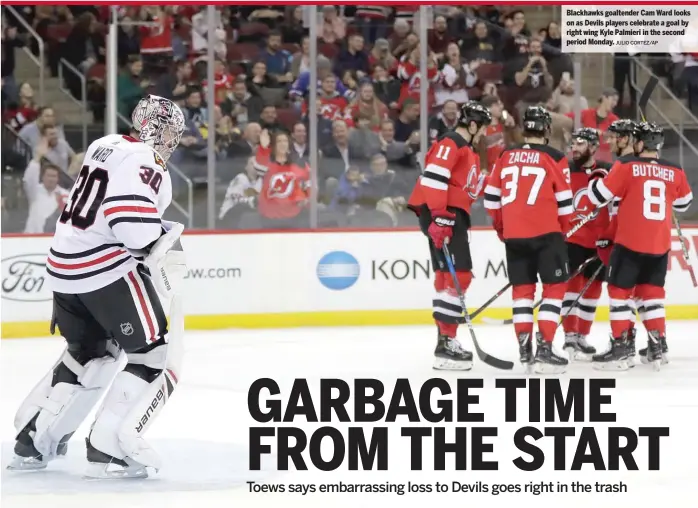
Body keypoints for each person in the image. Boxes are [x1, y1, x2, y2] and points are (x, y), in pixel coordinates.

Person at [7, 95, 187, 479]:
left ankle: (32, 441)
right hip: (104, 271)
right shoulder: (145, 160)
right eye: (170, 130)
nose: (173, 140)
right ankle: (110, 447)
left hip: (63, 266)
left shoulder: (104, 144)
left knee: (89, 351)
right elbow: (130, 223)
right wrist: (159, 244)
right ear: (153, 127)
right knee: (152, 355)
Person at [588, 122, 693, 370]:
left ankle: (621, 348)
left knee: (619, 293)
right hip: (659, 245)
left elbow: (597, 197)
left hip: (629, 243)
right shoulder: (675, 169)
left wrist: (597, 179)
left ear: (640, 143)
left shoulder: (626, 166)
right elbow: (684, 205)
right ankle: (658, 346)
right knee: (652, 294)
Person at [484, 106, 573, 374]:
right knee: (554, 289)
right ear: (546, 130)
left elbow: (490, 199)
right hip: (547, 234)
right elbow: (566, 205)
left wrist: (502, 228)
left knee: (522, 292)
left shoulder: (506, 154)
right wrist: (564, 232)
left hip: (514, 235)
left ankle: (525, 351)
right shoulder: (555, 157)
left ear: (525, 129)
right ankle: (545, 348)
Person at [407, 101, 492, 371]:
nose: (484, 135)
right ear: (474, 124)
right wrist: (439, 216)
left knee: (446, 277)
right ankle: (446, 342)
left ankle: (445, 342)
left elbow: (470, 188)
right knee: (460, 274)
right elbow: (433, 177)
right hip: (445, 215)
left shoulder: (469, 152)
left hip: (450, 215)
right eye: (483, 128)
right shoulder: (452, 141)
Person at [560, 128, 612, 360]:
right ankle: (570, 335)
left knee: (593, 288)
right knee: (571, 286)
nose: (575, 148)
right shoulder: (565, 169)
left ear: (593, 147)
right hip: (572, 237)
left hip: (600, 239)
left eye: (580, 144)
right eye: (573, 144)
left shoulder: (608, 170)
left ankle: (582, 335)